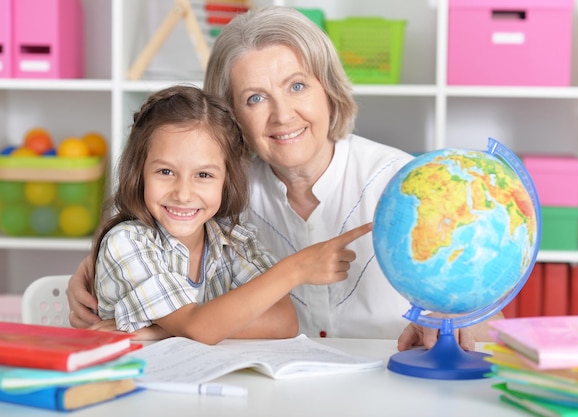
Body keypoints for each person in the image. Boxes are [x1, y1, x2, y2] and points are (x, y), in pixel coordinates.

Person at [68, 6, 500, 350]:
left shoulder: (403, 183)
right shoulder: (222, 195)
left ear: (328, 90)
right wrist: (87, 272)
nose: (282, 115)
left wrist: (451, 319)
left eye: (297, 87)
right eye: (255, 98)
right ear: (230, 119)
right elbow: (149, 239)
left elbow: (485, 307)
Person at [87, 85, 372, 344]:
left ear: (227, 180)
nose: (183, 193)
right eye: (165, 172)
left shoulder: (234, 239)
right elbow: (198, 327)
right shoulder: (127, 242)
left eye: (203, 175)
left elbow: (284, 322)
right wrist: (295, 269)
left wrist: (167, 329)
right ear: (139, 173)